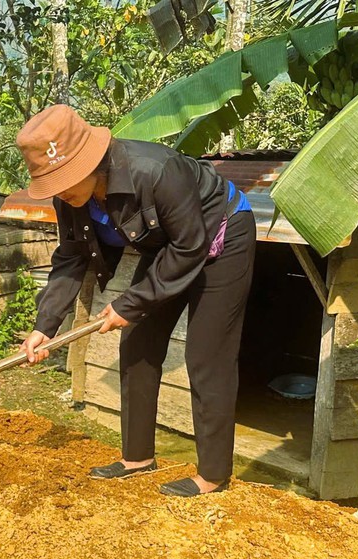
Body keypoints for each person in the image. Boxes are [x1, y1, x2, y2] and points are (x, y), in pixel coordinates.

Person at [14, 105, 256, 498]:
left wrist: (131, 302)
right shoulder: (69, 201)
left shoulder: (156, 171)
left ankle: (213, 474)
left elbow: (191, 245)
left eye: (66, 178)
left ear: (91, 161)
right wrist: (45, 326)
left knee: (206, 355)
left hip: (220, 234)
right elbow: (72, 258)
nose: (61, 189)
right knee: (138, 341)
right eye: (53, 183)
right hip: (171, 246)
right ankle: (137, 457)